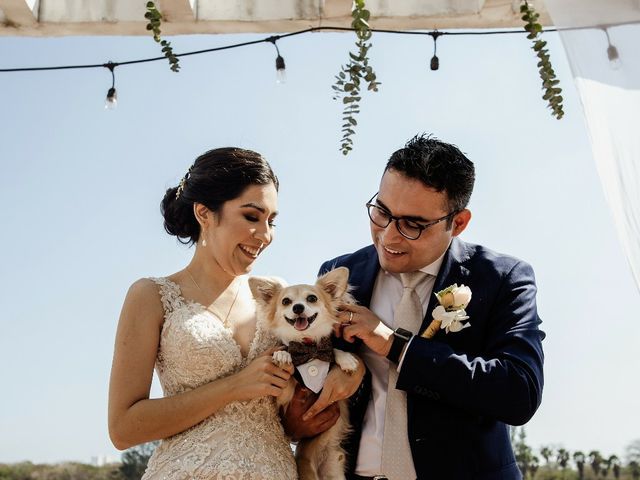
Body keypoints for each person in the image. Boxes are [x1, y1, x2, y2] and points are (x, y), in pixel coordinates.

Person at [296, 134, 545, 480]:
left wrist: (396, 345)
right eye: (381, 212)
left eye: (412, 224)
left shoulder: (503, 278)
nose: (388, 236)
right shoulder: (338, 273)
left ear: (457, 223)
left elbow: (519, 392)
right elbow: (309, 374)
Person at [108, 147, 363, 479]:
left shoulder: (278, 297)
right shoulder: (150, 295)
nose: (266, 235)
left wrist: (346, 375)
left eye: (271, 221)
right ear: (204, 213)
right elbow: (123, 429)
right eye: (251, 217)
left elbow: (298, 409)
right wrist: (236, 385)